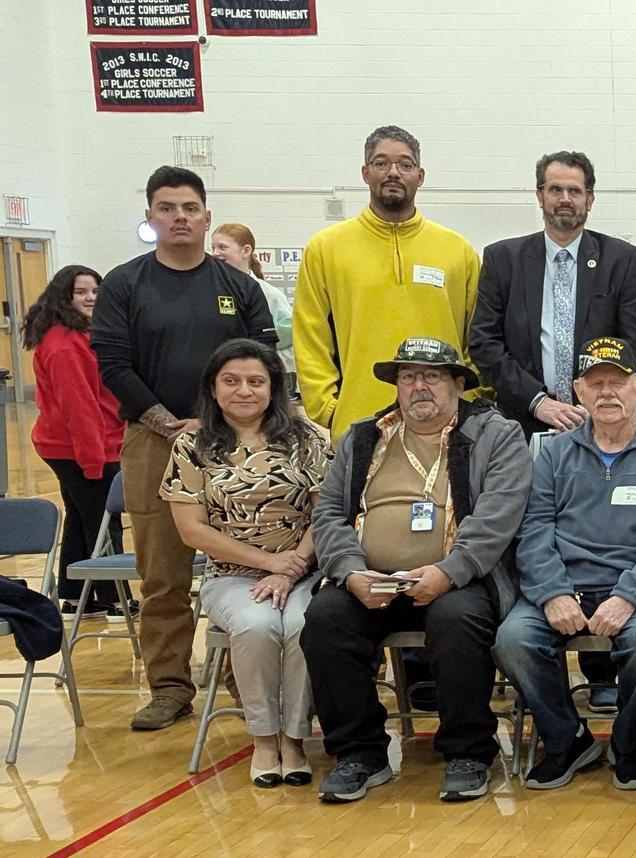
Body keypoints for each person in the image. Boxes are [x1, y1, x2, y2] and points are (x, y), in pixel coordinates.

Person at [303, 338, 530, 803]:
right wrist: (350, 572)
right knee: (325, 620)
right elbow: (327, 514)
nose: (418, 387)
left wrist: (449, 572)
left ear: (458, 384)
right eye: (408, 377)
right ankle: (359, 755)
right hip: (371, 578)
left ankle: (468, 752)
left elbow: (499, 515)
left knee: (457, 620)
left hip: (458, 579)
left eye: (431, 376)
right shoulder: (362, 436)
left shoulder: (495, 434)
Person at [92, 165, 278, 732]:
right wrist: (169, 423)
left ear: (207, 216)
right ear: (150, 217)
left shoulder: (238, 287)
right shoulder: (124, 284)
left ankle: (239, 679)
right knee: (163, 574)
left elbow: (264, 362)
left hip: (235, 443)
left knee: (241, 562)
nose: (180, 217)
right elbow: (112, 365)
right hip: (154, 440)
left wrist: (222, 421)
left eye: (190, 208)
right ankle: (169, 687)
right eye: (167, 208)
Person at [494, 337, 636, 791]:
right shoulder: (553, 455)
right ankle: (567, 739)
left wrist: (628, 596)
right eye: (596, 383)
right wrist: (552, 593)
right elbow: (533, 530)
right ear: (578, 391)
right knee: (512, 640)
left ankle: (628, 743)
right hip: (562, 586)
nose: (607, 393)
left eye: (618, 383)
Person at [163, 340, 331, 787]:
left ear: (273, 387)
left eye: (256, 381)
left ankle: (294, 738)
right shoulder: (191, 447)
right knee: (257, 626)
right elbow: (192, 530)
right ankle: (263, 739)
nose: (244, 391)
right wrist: (269, 563)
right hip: (231, 575)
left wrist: (292, 566)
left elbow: (327, 512)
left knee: (301, 625)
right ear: (213, 389)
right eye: (231, 381)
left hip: (307, 571)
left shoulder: (307, 438)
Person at [294, 126, 482, 438]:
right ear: (365, 172)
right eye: (381, 163)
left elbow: (476, 336)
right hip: (361, 423)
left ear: (420, 176)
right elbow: (310, 335)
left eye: (405, 165)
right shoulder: (326, 248)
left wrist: (470, 398)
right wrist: (328, 408)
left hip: (446, 423)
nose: (393, 172)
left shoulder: (458, 250)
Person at [470, 150, 636, 437]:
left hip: (599, 419)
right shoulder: (503, 259)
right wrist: (537, 401)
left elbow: (633, 339)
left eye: (575, 191)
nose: (565, 198)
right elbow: (484, 342)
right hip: (522, 418)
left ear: (590, 199)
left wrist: (595, 396)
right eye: (555, 189)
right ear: (540, 195)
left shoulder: (620, 259)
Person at [24, 264, 125, 619]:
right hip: (80, 446)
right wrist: (94, 459)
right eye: (81, 292)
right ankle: (116, 599)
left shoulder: (78, 335)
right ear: (64, 297)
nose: (91, 298)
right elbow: (79, 407)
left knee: (82, 518)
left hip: (74, 443)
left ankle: (73, 595)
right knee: (102, 519)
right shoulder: (65, 344)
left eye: (95, 291)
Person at [211, 223, 295, 373]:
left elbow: (290, 334)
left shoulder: (270, 295)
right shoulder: (209, 290)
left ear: (246, 251)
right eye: (213, 248)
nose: (215, 253)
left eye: (222, 247)